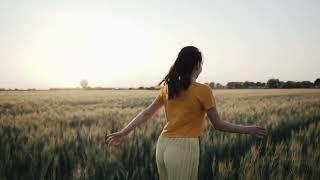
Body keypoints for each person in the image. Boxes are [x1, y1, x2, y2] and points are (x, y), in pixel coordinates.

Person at [105, 46, 267, 180]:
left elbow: (147, 113)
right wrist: (248, 129)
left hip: (162, 146)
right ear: (197, 65)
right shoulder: (203, 90)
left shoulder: (169, 88)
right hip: (184, 148)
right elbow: (218, 124)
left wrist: (124, 132)